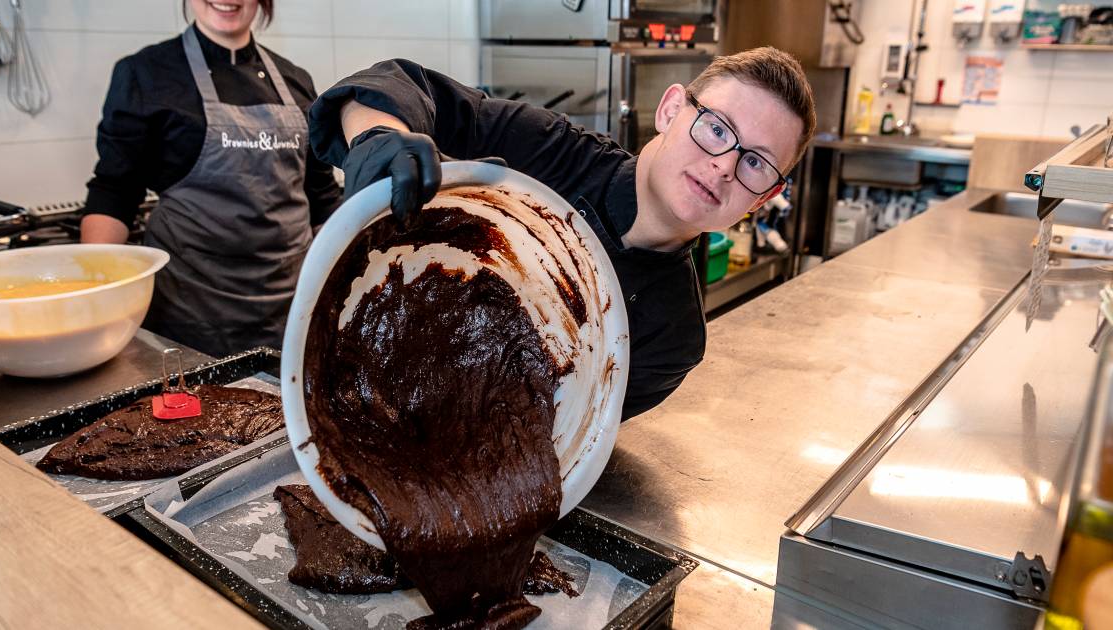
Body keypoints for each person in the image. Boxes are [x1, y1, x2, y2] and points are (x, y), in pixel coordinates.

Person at [306, 47, 816, 419]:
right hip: (349, 385)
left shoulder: (669, 340)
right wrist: (379, 135)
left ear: (765, 197)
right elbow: (395, 82)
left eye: (755, 162)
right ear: (670, 110)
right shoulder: (549, 150)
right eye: (717, 128)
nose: (724, 166)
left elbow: (560, 447)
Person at [81, 0, 342, 357]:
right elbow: (115, 191)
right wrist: (93, 295)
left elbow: (322, 197)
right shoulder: (146, 74)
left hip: (291, 305)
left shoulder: (296, 80)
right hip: (190, 310)